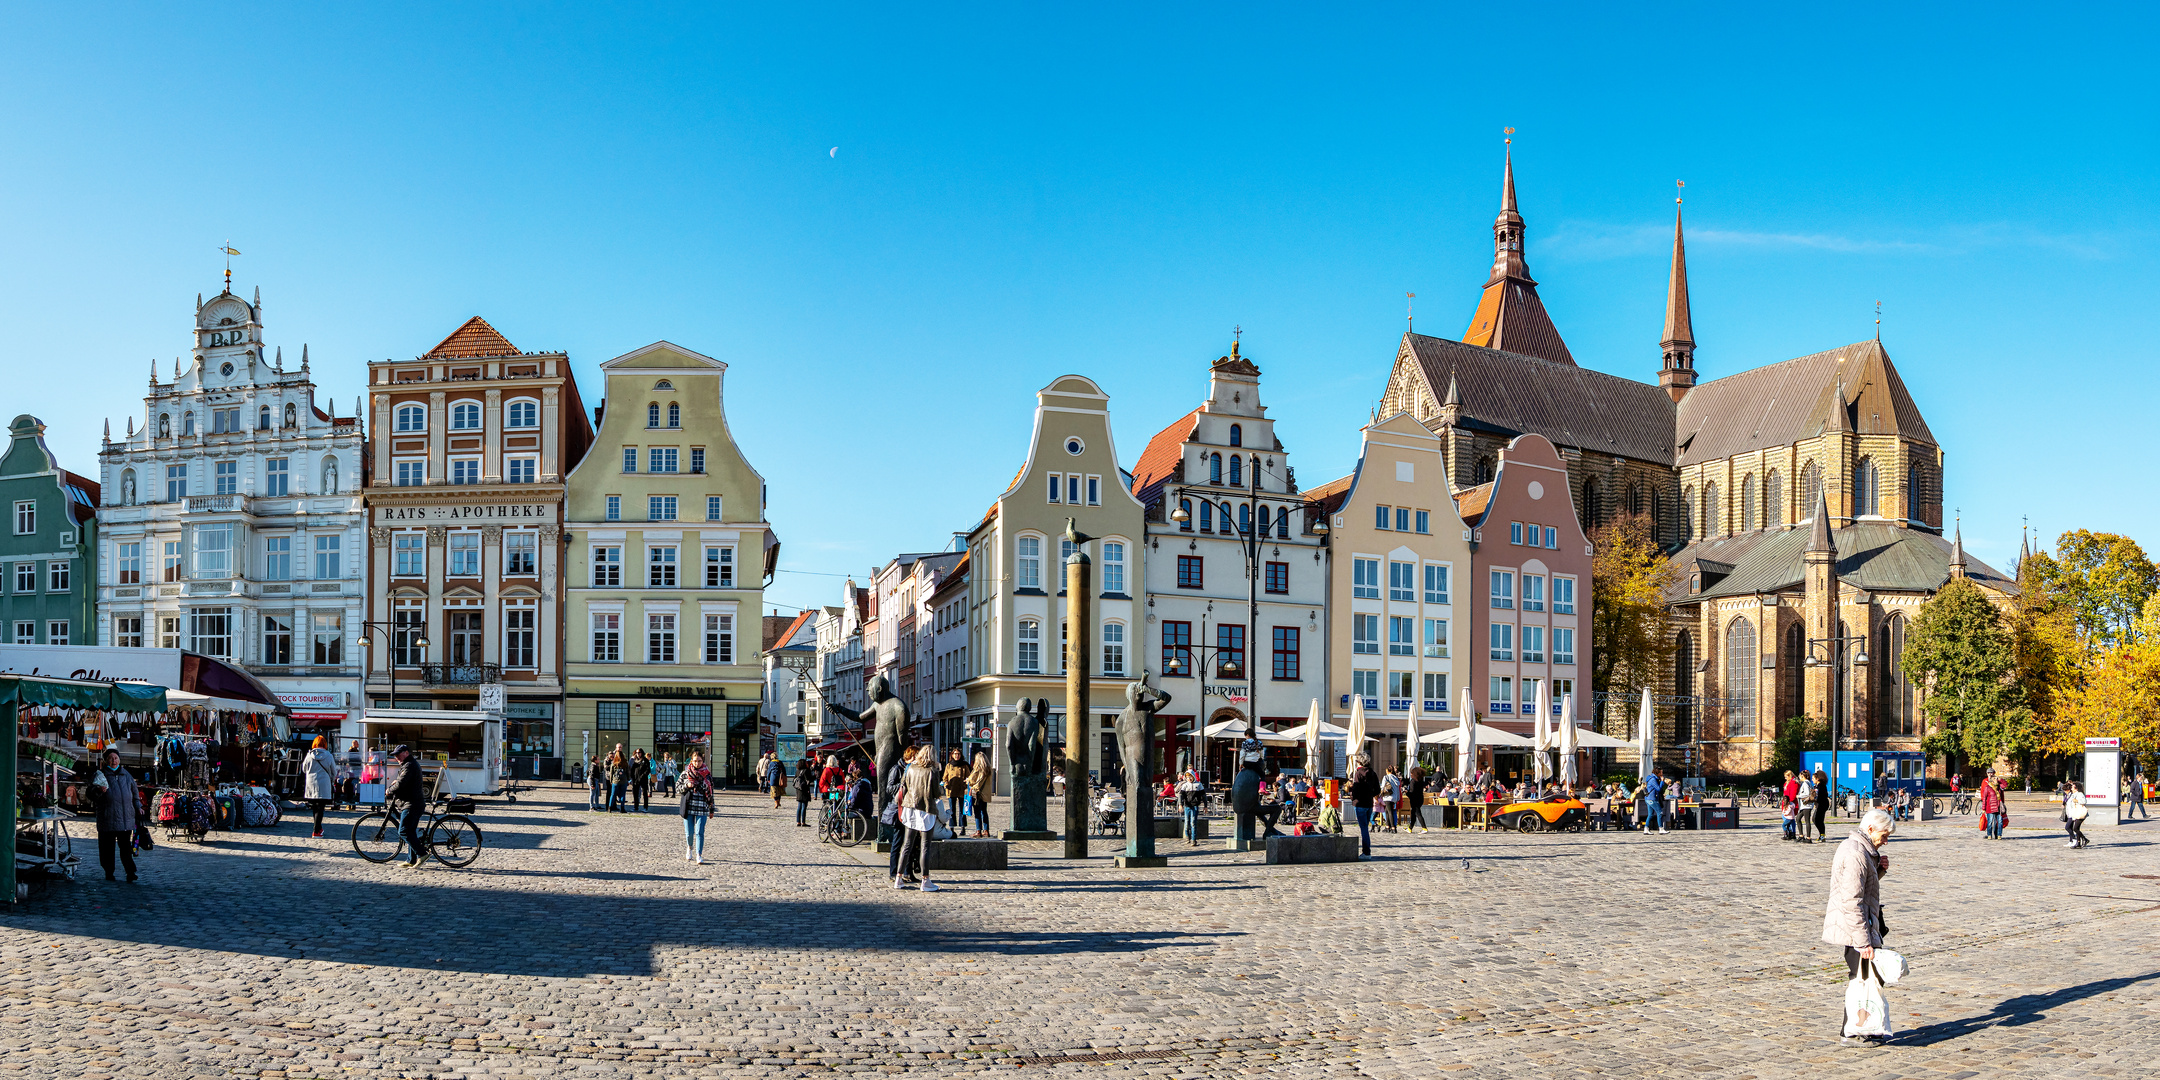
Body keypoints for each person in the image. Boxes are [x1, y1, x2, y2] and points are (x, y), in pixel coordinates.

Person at [1824, 807, 1897, 1045]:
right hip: (1856, 927)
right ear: (1870, 829)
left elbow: (1862, 888)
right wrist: (1863, 941)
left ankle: (1864, 1027)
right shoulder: (1856, 853)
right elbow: (1852, 901)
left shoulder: (1864, 851)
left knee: (1869, 977)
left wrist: (1879, 871)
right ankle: (1853, 1030)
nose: (1885, 842)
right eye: (1884, 835)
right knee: (1861, 978)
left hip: (1863, 924)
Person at [87, 748, 141, 883]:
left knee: (126, 849)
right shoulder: (100, 775)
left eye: (116, 758)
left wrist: (138, 807)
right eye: (111, 758)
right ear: (106, 760)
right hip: (108, 818)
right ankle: (109, 872)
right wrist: (99, 790)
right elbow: (90, 794)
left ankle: (130, 872)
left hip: (125, 819)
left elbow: (135, 794)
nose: (114, 761)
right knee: (107, 849)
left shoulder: (126, 775)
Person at [893, 745, 939, 891]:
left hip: (910, 807)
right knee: (925, 846)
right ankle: (925, 881)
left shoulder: (910, 768)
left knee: (906, 845)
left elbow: (904, 785)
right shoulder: (933, 770)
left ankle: (898, 878)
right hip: (925, 808)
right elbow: (936, 792)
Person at [385, 744, 428, 869]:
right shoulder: (407, 764)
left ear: (406, 753)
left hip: (412, 803)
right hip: (411, 802)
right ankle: (411, 860)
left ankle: (422, 854)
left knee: (403, 830)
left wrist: (389, 790)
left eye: (398, 754)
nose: (397, 757)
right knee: (410, 831)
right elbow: (402, 781)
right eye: (395, 755)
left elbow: (402, 783)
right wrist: (396, 782)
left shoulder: (409, 765)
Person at [301, 736, 343, 838]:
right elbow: (334, 771)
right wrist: (331, 779)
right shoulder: (328, 756)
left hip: (311, 784)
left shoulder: (309, 755)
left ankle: (318, 828)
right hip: (324, 784)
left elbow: (303, 769)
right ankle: (316, 830)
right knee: (321, 807)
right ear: (324, 744)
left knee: (315, 807)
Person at [681, 750, 715, 863]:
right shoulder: (686, 773)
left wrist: (712, 808)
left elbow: (711, 792)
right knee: (689, 833)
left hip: (702, 807)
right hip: (689, 806)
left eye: (699, 761)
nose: (697, 763)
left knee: (700, 831)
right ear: (691, 761)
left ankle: (699, 854)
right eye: (695, 761)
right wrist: (687, 785)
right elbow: (678, 788)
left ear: (702, 761)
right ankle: (689, 847)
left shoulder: (707, 775)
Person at [1346, 753, 1380, 856]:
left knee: (1364, 828)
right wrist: (1370, 794)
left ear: (1359, 762)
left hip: (1360, 803)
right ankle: (1366, 851)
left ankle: (1366, 852)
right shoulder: (1373, 773)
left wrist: (1352, 796)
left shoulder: (1358, 773)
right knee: (1365, 827)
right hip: (1369, 803)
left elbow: (1356, 789)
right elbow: (1377, 789)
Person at [967, 751, 994, 837]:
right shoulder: (988, 770)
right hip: (985, 794)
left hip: (978, 794)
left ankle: (978, 831)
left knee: (977, 812)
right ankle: (986, 830)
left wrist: (968, 780)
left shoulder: (978, 770)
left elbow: (974, 781)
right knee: (984, 812)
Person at [1176, 770, 1206, 845]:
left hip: (1195, 805)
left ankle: (1193, 839)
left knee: (1193, 822)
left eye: (1190, 777)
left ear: (1193, 776)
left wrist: (1205, 806)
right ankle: (1187, 838)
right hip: (1187, 806)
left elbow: (1204, 795)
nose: (1189, 778)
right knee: (1186, 823)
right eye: (1187, 777)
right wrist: (1180, 804)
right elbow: (1181, 795)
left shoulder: (1199, 785)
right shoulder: (1185, 785)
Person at [942, 748, 969, 830]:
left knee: (962, 809)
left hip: (961, 789)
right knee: (952, 809)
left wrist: (966, 783)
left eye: (958, 754)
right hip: (951, 790)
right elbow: (944, 778)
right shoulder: (949, 765)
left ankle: (963, 827)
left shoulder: (964, 765)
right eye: (955, 754)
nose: (957, 755)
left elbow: (969, 777)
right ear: (952, 755)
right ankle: (952, 827)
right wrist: (946, 784)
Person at [2063, 780, 2089, 848]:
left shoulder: (2079, 794)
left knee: (2075, 828)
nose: (2071, 788)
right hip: (2075, 813)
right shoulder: (2073, 795)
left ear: (2076, 788)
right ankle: (2078, 843)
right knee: (2076, 828)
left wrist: (2077, 800)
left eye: (2072, 787)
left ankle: (2084, 839)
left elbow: (2084, 801)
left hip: (2079, 813)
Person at [1642, 768, 1669, 834]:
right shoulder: (1653, 780)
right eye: (1661, 772)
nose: (1662, 774)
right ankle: (1661, 828)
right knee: (1660, 812)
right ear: (1658, 773)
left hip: (1648, 798)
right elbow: (1658, 789)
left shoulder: (1653, 778)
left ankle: (1646, 828)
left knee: (1650, 814)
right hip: (1652, 799)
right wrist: (1662, 781)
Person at [793, 756, 816, 826]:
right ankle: (803, 821)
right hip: (805, 789)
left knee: (799, 806)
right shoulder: (806, 770)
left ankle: (798, 821)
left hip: (798, 789)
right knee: (804, 806)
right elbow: (809, 779)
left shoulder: (797, 771)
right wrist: (814, 776)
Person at [1405, 765, 1429, 833]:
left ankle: (1424, 828)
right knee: (1413, 813)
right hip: (1420, 798)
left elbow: (1412, 792)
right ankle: (1410, 828)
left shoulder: (1413, 781)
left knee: (1418, 813)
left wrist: (1407, 793)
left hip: (1414, 799)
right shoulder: (1420, 781)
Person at [1811, 767, 1832, 844]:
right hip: (1821, 804)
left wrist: (1814, 799)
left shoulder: (1821, 786)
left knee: (1816, 819)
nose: (1812, 780)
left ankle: (1822, 835)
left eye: (1813, 778)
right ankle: (1822, 835)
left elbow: (1820, 796)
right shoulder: (1818, 786)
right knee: (1818, 820)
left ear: (1818, 778)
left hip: (1822, 805)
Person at [606, 746, 629, 813]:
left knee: (613, 794)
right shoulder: (625, 763)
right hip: (623, 781)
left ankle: (609, 808)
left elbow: (611, 773)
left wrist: (611, 781)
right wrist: (628, 779)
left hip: (615, 781)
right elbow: (628, 772)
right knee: (622, 795)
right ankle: (622, 808)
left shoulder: (614, 763)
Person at [1379, 766, 1402, 832]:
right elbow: (1398, 789)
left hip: (1388, 796)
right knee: (1387, 811)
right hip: (1394, 797)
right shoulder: (1396, 778)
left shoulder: (1386, 777)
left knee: (1389, 812)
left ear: (1387, 771)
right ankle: (1387, 826)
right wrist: (1397, 798)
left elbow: (1383, 786)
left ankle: (1392, 828)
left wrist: (1381, 794)